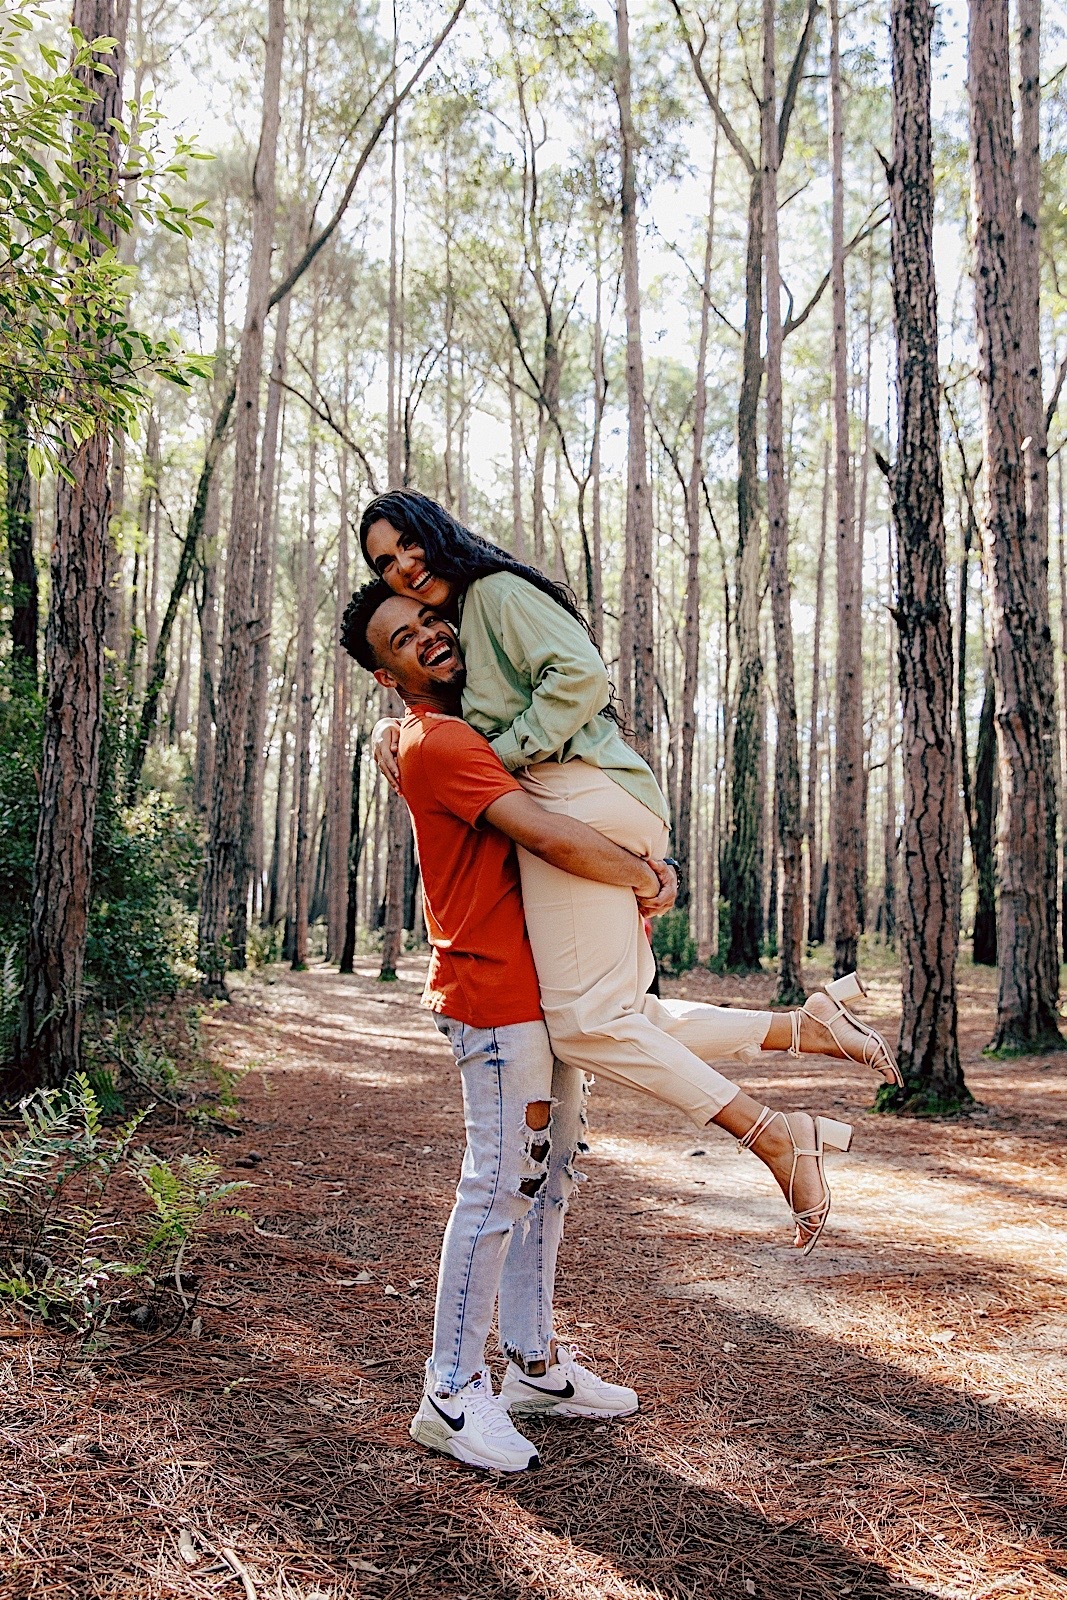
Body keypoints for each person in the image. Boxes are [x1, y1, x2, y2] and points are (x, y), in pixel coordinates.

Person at [341, 581, 864, 1471]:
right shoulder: (442, 740)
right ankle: (451, 1391)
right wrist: (647, 875)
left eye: (430, 620)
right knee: (496, 1189)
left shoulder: (465, 729)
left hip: (544, 987)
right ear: (387, 675)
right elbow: (547, 834)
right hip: (495, 997)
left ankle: (534, 1366)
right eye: (403, 639)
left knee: (548, 1182)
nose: (427, 636)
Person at [360, 489, 901, 1120]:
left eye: (409, 543)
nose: (404, 564)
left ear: (436, 530)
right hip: (596, 793)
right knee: (625, 1012)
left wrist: (501, 756)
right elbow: (451, 709)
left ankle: (772, 1134)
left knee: (585, 1027)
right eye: (385, 561)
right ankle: (806, 1028)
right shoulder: (465, 623)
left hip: (574, 794)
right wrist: (389, 726)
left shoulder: (494, 593)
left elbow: (581, 677)